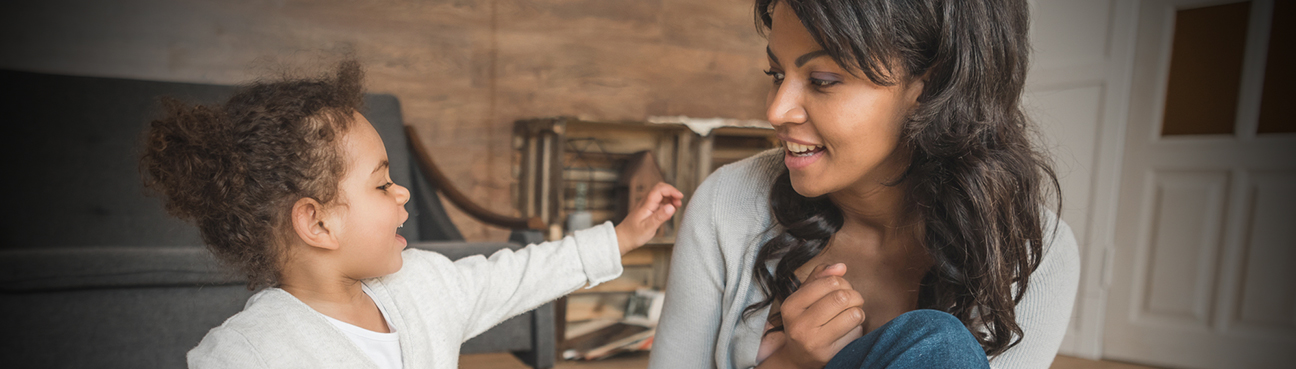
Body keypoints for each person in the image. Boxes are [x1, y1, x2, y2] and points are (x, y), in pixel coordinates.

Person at [140, 60, 684, 369]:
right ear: (318, 222)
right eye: (381, 184)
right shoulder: (248, 353)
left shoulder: (425, 285)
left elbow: (519, 274)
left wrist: (624, 235)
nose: (403, 195)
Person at [648, 0, 1079, 368]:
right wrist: (790, 363)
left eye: (823, 81)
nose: (777, 110)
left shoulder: (1029, 249)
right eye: (775, 74)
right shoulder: (726, 205)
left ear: (929, 87)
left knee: (938, 341)